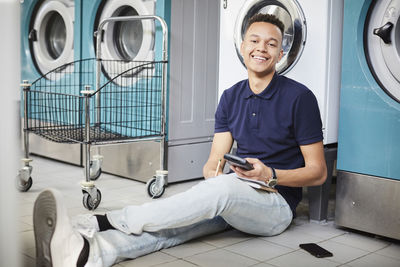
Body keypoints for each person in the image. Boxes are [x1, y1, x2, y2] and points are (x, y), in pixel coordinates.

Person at [33, 13, 327, 267]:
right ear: (243, 46)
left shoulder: (299, 98)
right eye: (254, 40)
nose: (261, 48)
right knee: (174, 226)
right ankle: (86, 254)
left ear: (280, 54)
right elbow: (215, 159)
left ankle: (101, 221)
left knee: (220, 191)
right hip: (235, 193)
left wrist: (270, 175)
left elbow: (318, 172)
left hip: (275, 205)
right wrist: (213, 172)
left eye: (271, 44)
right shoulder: (230, 97)